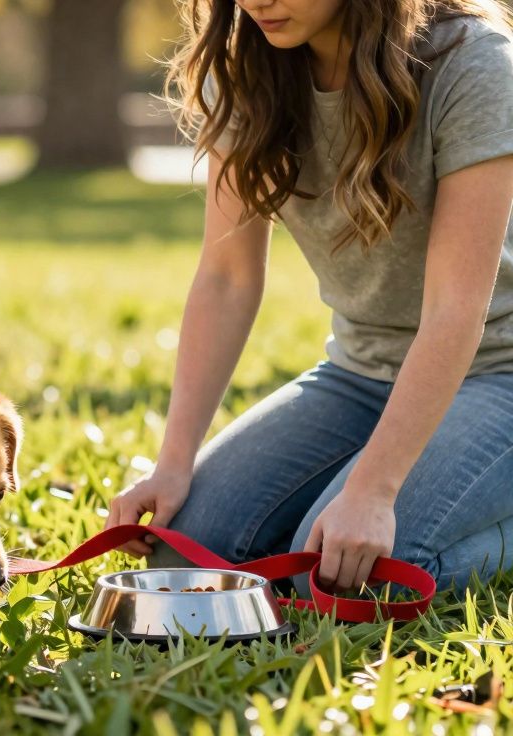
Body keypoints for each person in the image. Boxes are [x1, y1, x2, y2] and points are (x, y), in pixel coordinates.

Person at [105, 0, 513, 597]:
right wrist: (173, 463)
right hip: (360, 372)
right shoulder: (243, 69)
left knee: (343, 578)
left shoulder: (472, 63)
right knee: (185, 555)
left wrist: (373, 490)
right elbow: (226, 277)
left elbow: (455, 308)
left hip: (497, 371)